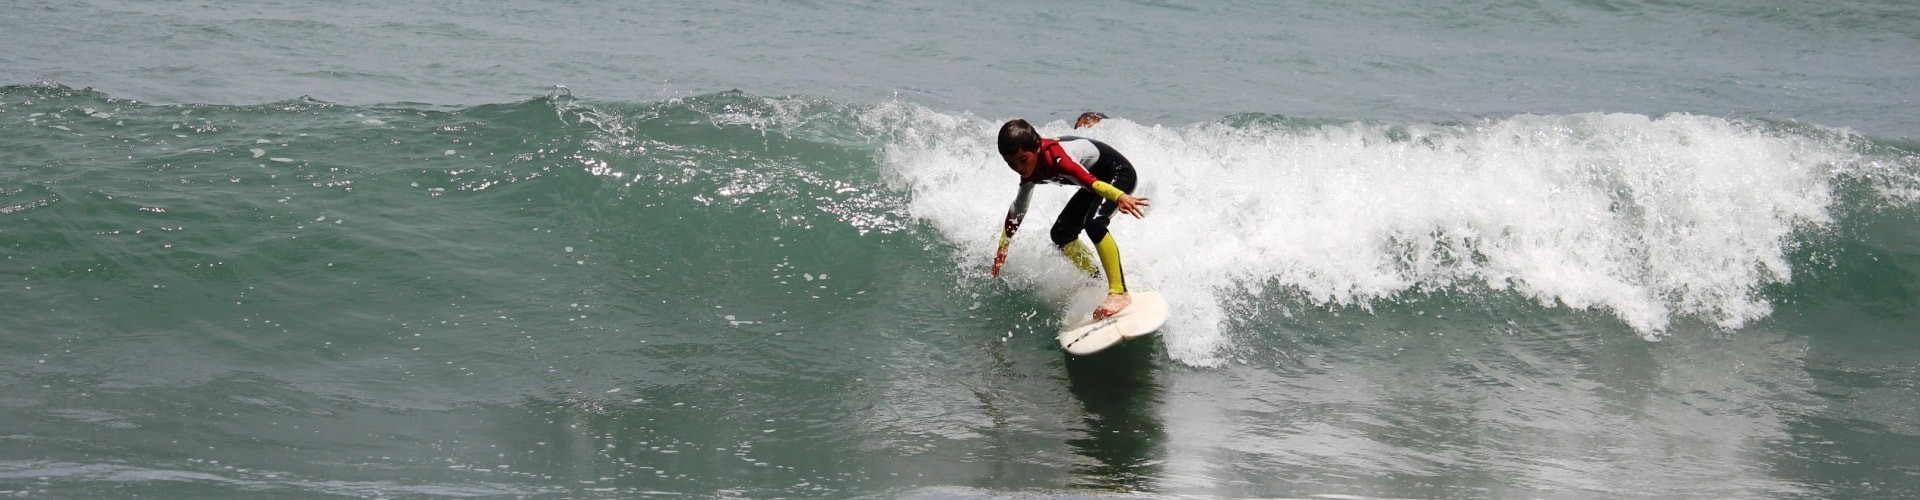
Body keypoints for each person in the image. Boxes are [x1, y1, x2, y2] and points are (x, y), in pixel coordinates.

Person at [991, 118, 1150, 320]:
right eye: (1011, 164)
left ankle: (1119, 293)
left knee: (1094, 223)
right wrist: (1003, 245)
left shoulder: (1056, 157)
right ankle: (1097, 278)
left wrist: (1119, 196)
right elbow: (1019, 207)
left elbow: (1088, 181)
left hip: (1118, 174)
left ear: (1037, 148)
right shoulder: (1029, 171)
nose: (1019, 168)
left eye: (1023, 160)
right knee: (1061, 234)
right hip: (1095, 182)